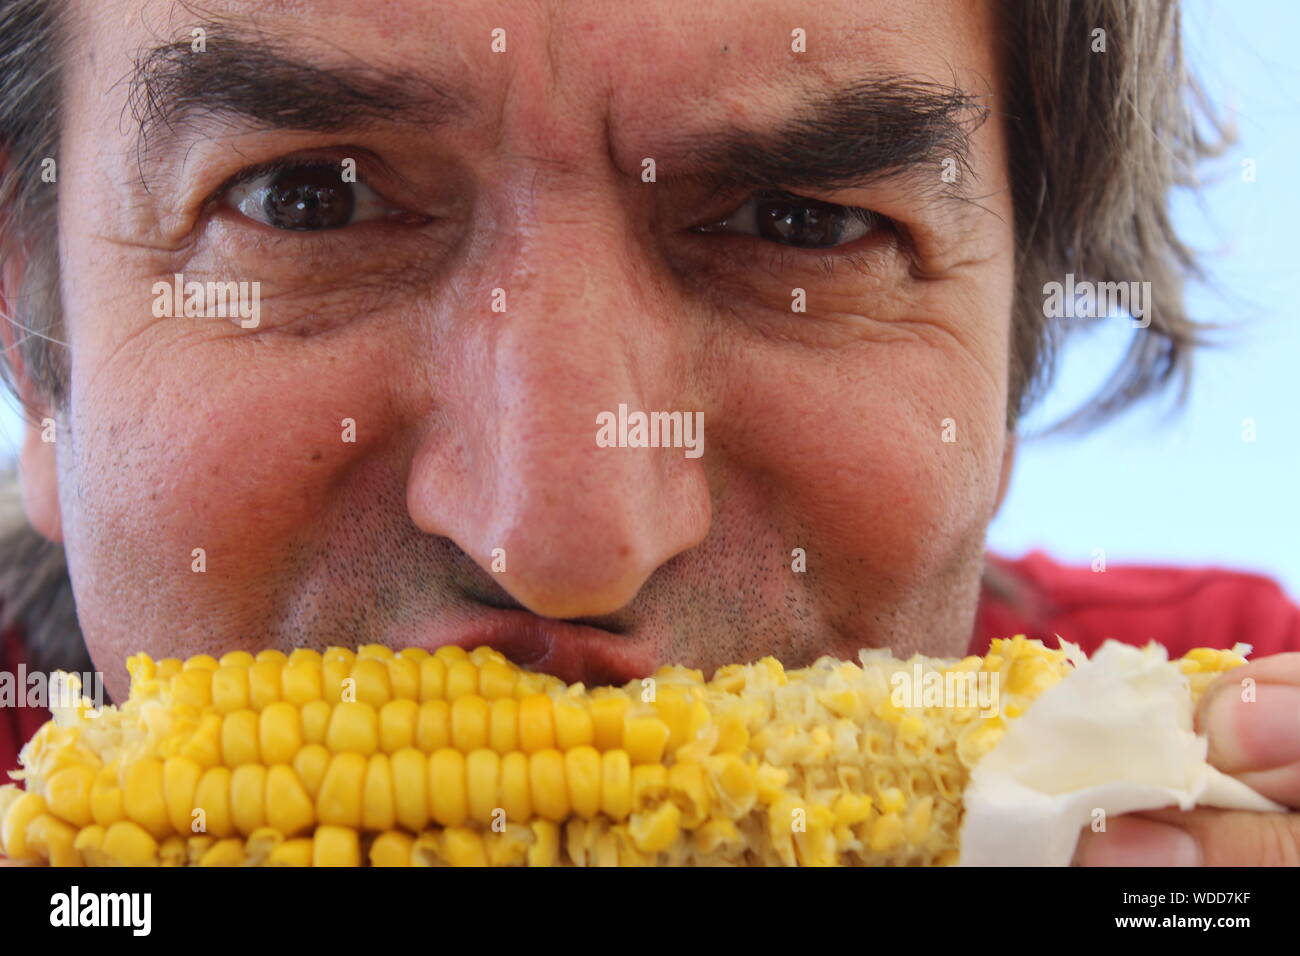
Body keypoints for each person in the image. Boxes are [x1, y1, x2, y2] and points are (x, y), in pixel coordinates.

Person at [0, 0, 1296, 866]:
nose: (564, 545)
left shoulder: (1227, 750)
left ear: (1013, 374)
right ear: (34, 358)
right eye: (308, 200)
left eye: (804, 226)